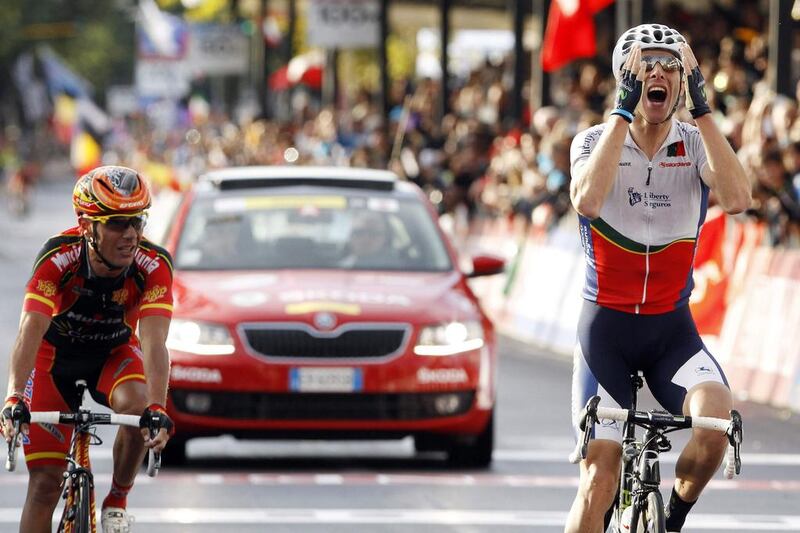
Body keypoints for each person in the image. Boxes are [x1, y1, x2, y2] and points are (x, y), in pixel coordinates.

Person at [565, 24, 752, 533]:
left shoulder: (694, 144)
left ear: (683, 80)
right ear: (624, 76)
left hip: (670, 329)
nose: (658, 72)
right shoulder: (593, 141)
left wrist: (704, 110)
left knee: (715, 423)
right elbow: (586, 201)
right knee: (599, 481)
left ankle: (670, 520)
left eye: (671, 66)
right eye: (645, 63)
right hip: (606, 331)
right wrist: (621, 115)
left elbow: (738, 199)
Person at [0, 166, 176, 533]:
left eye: (137, 222)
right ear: (86, 226)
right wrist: (14, 396)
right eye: (116, 223)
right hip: (53, 361)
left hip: (112, 355)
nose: (130, 235)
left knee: (139, 405)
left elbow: (155, 342)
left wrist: (158, 407)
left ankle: (117, 498)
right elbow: (30, 329)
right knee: (45, 483)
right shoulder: (57, 259)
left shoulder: (154, 265)